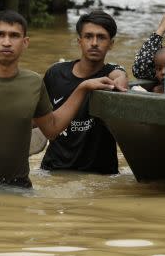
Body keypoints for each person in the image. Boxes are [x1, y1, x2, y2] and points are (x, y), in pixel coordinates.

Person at [0, 11, 116, 192]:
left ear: (25, 43)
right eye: (0, 34)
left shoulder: (34, 83)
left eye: (14, 36)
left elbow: (52, 128)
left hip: (20, 190)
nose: (7, 42)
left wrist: (82, 88)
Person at [41, 10, 127, 175]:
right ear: (79, 41)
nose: (94, 43)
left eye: (101, 37)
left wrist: (120, 79)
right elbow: (38, 119)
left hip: (101, 174)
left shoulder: (112, 73)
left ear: (111, 44)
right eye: (88, 36)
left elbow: (120, 77)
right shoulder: (55, 73)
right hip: (53, 170)